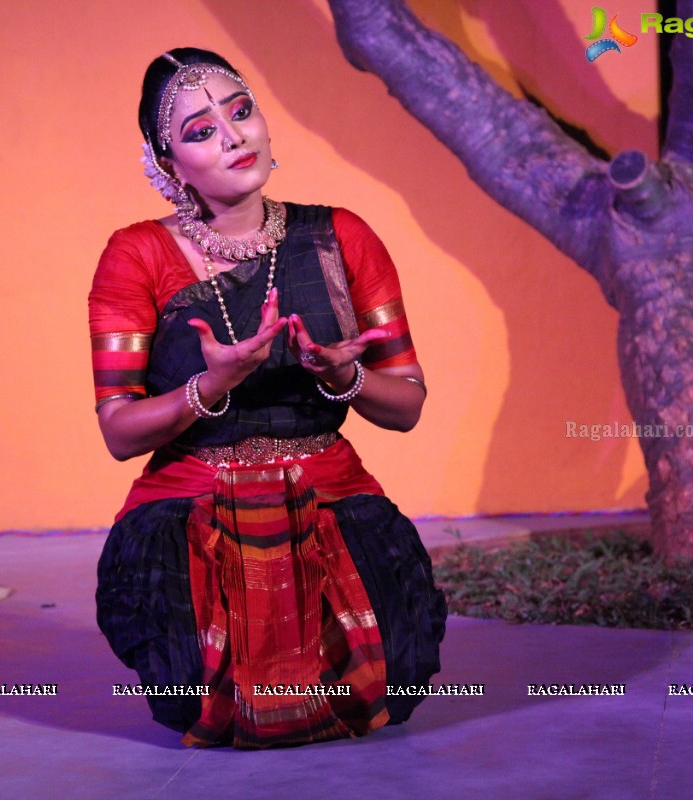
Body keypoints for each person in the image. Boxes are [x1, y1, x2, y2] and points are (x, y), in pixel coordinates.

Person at [88, 47, 446, 749]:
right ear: (168, 165)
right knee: (193, 682)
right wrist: (212, 383)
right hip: (195, 506)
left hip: (326, 493)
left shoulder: (341, 237)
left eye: (241, 112)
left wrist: (342, 376)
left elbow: (406, 405)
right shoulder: (136, 256)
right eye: (200, 130)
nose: (234, 137)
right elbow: (119, 432)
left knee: (391, 668)